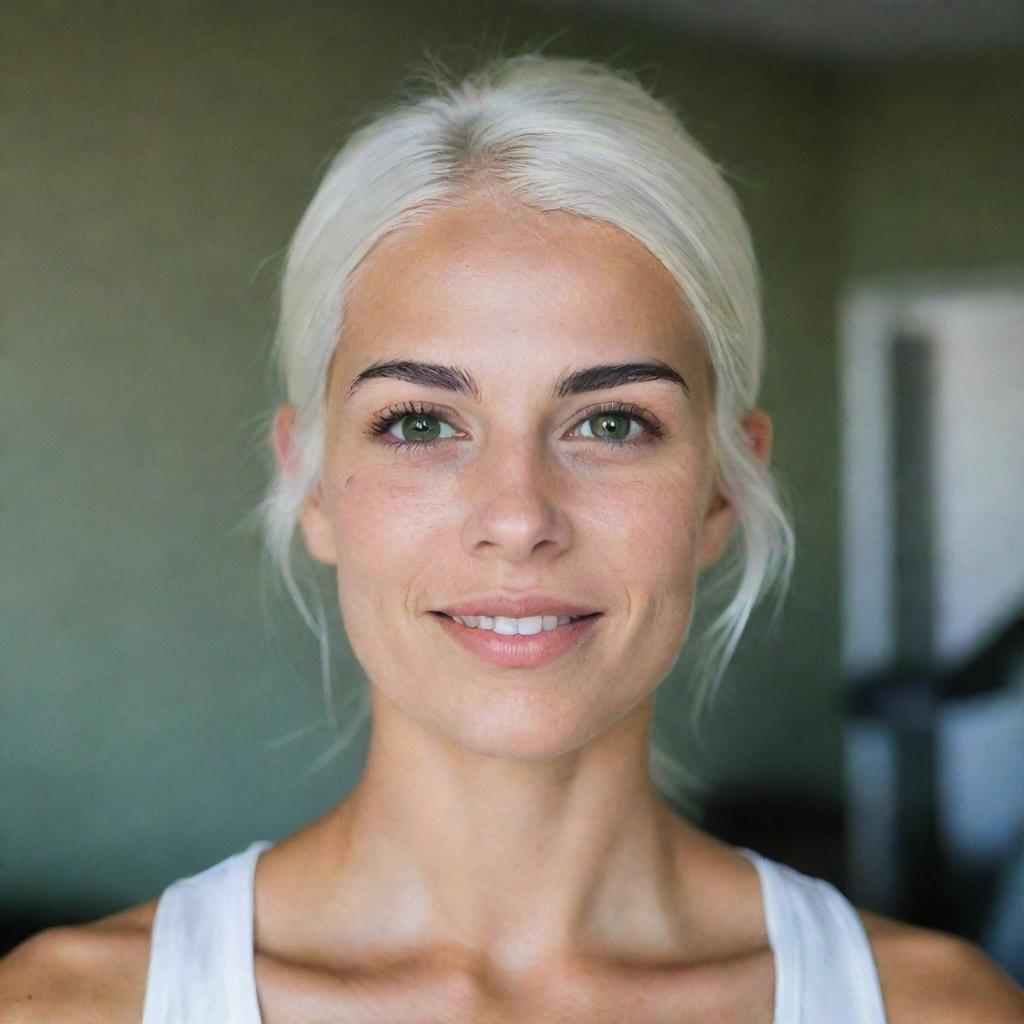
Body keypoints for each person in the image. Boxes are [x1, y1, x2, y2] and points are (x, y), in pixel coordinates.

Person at [2, 51, 1022, 1024]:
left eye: (611, 422)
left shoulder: (935, 1008)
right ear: (309, 480)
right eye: (421, 422)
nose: (519, 516)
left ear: (723, 489)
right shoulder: (65, 1005)